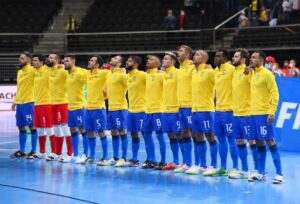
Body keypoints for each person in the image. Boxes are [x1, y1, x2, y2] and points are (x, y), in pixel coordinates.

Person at [247, 51, 284, 184]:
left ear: (261, 60)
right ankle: (261, 172)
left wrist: (272, 112)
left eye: (254, 57)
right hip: (253, 114)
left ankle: (280, 174)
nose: (251, 59)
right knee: (259, 142)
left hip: (264, 114)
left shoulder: (267, 74)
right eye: (251, 57)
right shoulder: (252, 73)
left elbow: (275, 94)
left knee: (270, 141)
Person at [204, 49, 238, 176]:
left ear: (225, 58)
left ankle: (235, 168)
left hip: (229, 111)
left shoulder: (231, 69)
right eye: (215, 56)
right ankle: (223, 168)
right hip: (217, 111)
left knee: (231, 140)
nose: (215, 58)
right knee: (221, 140)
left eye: (219, 56)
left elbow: (242, 72)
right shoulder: (215, 71)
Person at [186, 49, 219, 175]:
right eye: (194, 54)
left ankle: (214, 166)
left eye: (198, 54)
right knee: (197, 136)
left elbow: (220, 78)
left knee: (210, 135)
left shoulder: (210, 72)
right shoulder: (194, 72)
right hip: (195, 110)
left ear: (204, 58)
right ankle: (202, 165)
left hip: (206, 110)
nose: (195, 56)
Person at [228, 48, 258, 179]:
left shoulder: (248, 72)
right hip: (236, 113)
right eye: (233, 56)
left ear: (243, 60)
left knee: (251, 141)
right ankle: (244, 170)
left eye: (236, 56)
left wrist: (253, 70)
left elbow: (258, 85)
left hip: (247, 113)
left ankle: (257, 170)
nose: (233, 58)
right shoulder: (234, 72)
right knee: (239, 141)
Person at [80, 56, 111, 164]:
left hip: (99, 108)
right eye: (90, 60)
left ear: (97, 64)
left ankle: (105, 157)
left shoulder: (103, 73)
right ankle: (92, 156)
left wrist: (107, 89)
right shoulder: (87, 74)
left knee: (101, 132)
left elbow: (113, 73)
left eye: (92, 60)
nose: (89, 61)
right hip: (88, 108)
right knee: (89, 132)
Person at [101, 56, 128, 167]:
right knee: (113, 132)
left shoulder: (122, 74)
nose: (112, 58)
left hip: (120, 108)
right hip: (111, 108)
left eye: (116, 58)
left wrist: (125, 73)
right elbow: (106, 95)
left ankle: (124, 158)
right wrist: (105, 92)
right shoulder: (109, 75)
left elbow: (129, 86)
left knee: (122, 131)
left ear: (120, 63)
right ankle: (116, 158)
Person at [10, 52, 38, 158]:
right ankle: (22, 151)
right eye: (19, 58)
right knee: (21, 127)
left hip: (29, 102)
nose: (19, 60)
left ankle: (34, 151)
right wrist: (15, 101)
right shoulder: (19, 72)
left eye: (22, 58)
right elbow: (19, 88)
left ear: (29, 60)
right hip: (20, 104)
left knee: (32, 126)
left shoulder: (33, 71)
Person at [30, 54, 56, 161]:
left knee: (49, 129)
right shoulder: (34, 72)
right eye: (33, 60)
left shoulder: (47, 69)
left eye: (35, 60)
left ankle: (54, 152)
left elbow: (55, 65)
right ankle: (42, 152)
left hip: (46, 104)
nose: (33, 62)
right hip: (37, 104)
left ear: (41, 62)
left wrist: (60, 65)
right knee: (40, 130)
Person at [47, 54, 73, 162]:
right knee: (56, 129)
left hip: (62, 103)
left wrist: (64, 67)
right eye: (48, 57)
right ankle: (57, 152)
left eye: (51, 58)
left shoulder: (63, 71)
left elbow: (72, 74)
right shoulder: (49, 71)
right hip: (52, 104)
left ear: (57, 60)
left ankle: (70, 153)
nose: (49, 59)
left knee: (65, 129)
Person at [172, 45, 194, 173]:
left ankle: (196, 164)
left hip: (190, 106)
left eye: (180, 51)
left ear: (187, 55)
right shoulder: (180, 69)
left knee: (195, 134)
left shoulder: (192, 67)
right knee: (183, 133)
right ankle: (186, 162)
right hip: (180, 107)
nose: (177, 52)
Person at [64, 54, 89, 163]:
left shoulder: (80, 73)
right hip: (70, 107)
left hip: (79, 106)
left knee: (83, 130)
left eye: (67, 61)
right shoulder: (67, 74)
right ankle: (75, 154)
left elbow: (90, 76)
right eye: (64, 61)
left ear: (73, 62)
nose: (65, 63)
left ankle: (85, 154)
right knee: (72, 130)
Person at [123, 56, 147, 167]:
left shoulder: (142, 75)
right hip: (131, 110)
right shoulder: (127, 76)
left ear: (136, 64)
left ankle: (150, 159)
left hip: (141, 109)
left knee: (145, 134)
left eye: (130, 61)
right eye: (127, 61)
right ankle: (135, 159)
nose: (127, 62)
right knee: (133, 134)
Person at [142, 55, 165, 169]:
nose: (148, 61)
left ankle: (163, 161)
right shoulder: (146, 76)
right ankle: (152, 160)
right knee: (146, 135)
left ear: (157, 63)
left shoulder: (161, 75)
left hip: (158, 111)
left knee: (160, 136)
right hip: (147, 111)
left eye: (151, 60)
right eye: (148, 59)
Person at [160, 52, 180, 171]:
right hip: (166, 110)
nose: (163, 60)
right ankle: (175, 161)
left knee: (180, 135)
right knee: (170, 135)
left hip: (176, 109)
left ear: (172, 61)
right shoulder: (163, 75)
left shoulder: (178, 72)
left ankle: (184, 162)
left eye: (166, 59)